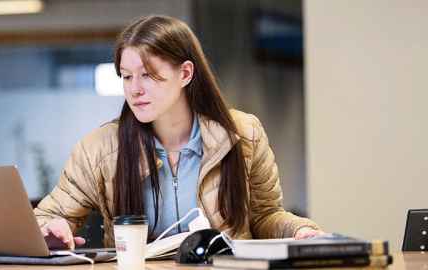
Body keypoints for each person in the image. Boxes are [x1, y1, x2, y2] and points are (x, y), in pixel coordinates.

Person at [34, 15, 322, 250]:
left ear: (185, 73)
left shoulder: (244, 134)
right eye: (127, 76)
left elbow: (265, 216)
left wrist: (300, 230)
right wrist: (51, 228)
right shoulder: (99, 148)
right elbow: (47, 216)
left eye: (148, 74)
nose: (135, 89)